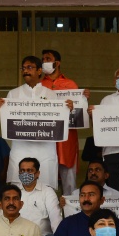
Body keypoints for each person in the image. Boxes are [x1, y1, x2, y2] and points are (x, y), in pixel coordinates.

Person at [2, 56, 61, 190]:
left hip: (45, 152)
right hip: (20, 150)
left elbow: (57, 123)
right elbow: (9, 125)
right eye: (23, 68)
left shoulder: (52, 95)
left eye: (30, 67)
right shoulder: (13, 94)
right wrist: (3, 108)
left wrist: (66, 108)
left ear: (40, 70)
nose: (25, 71)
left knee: (45, 191)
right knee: (18, 192)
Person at [40, 49, 85, 194]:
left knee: (69, 186)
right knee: (45, 187)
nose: (44, 62)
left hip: (67, 141)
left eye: (47, 58)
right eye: (43, 59)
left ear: (57, 63)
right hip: (46, 141)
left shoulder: (71, 85)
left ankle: (70, 215)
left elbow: (79, 115)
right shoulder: (39, 86)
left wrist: (83, 101)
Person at [53, 181, 119, 236]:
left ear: (102, 200)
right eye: (82, 195)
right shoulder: (67, 223)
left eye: (91, 195)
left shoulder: (113, 223)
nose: (86, 199)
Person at [13, 157, 63, 236]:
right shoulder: (13, 192)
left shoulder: (47, 192)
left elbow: (56, 219)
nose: (25, 174)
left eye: (29, 171)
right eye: (22, 171)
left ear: (37, 173)